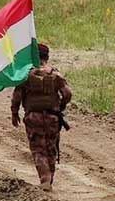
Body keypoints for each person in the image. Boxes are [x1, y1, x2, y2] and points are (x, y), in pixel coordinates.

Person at [10, 43, 72, 191]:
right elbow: (67, 93)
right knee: (51, 148)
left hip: (33, 117)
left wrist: (14, 113)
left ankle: (45, 179)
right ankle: (49, 178)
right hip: (52, 117)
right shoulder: (55, 75)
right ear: (47, 57)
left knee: (38, 149)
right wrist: (61, 106)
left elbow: (17, 96)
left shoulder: (26, 75)